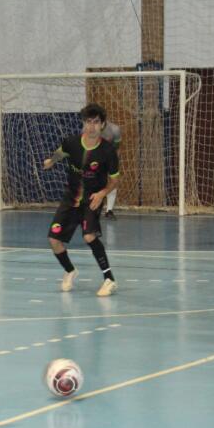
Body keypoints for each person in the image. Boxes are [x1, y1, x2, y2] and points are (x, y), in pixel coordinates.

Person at [43, 103, 119, 296]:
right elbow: (61, 152)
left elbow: (115, 180)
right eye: (88, 122)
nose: (91, 126)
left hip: (92, 198)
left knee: (89, 236)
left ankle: (109, 279)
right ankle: (70, 271)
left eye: (95, 122)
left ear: (102, 125)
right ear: (83, 123)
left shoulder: (108, 150)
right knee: (54, 239)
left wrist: (102, 193)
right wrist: (51, 161)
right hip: (71, 198)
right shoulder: (71, 142)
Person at [101, 120, 122, 220]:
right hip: (94, 159)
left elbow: (117, 148)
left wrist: (114, 162)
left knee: (113, 182)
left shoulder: (115, 130)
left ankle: (109, 210)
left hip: (110, 158)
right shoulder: (88, 129)